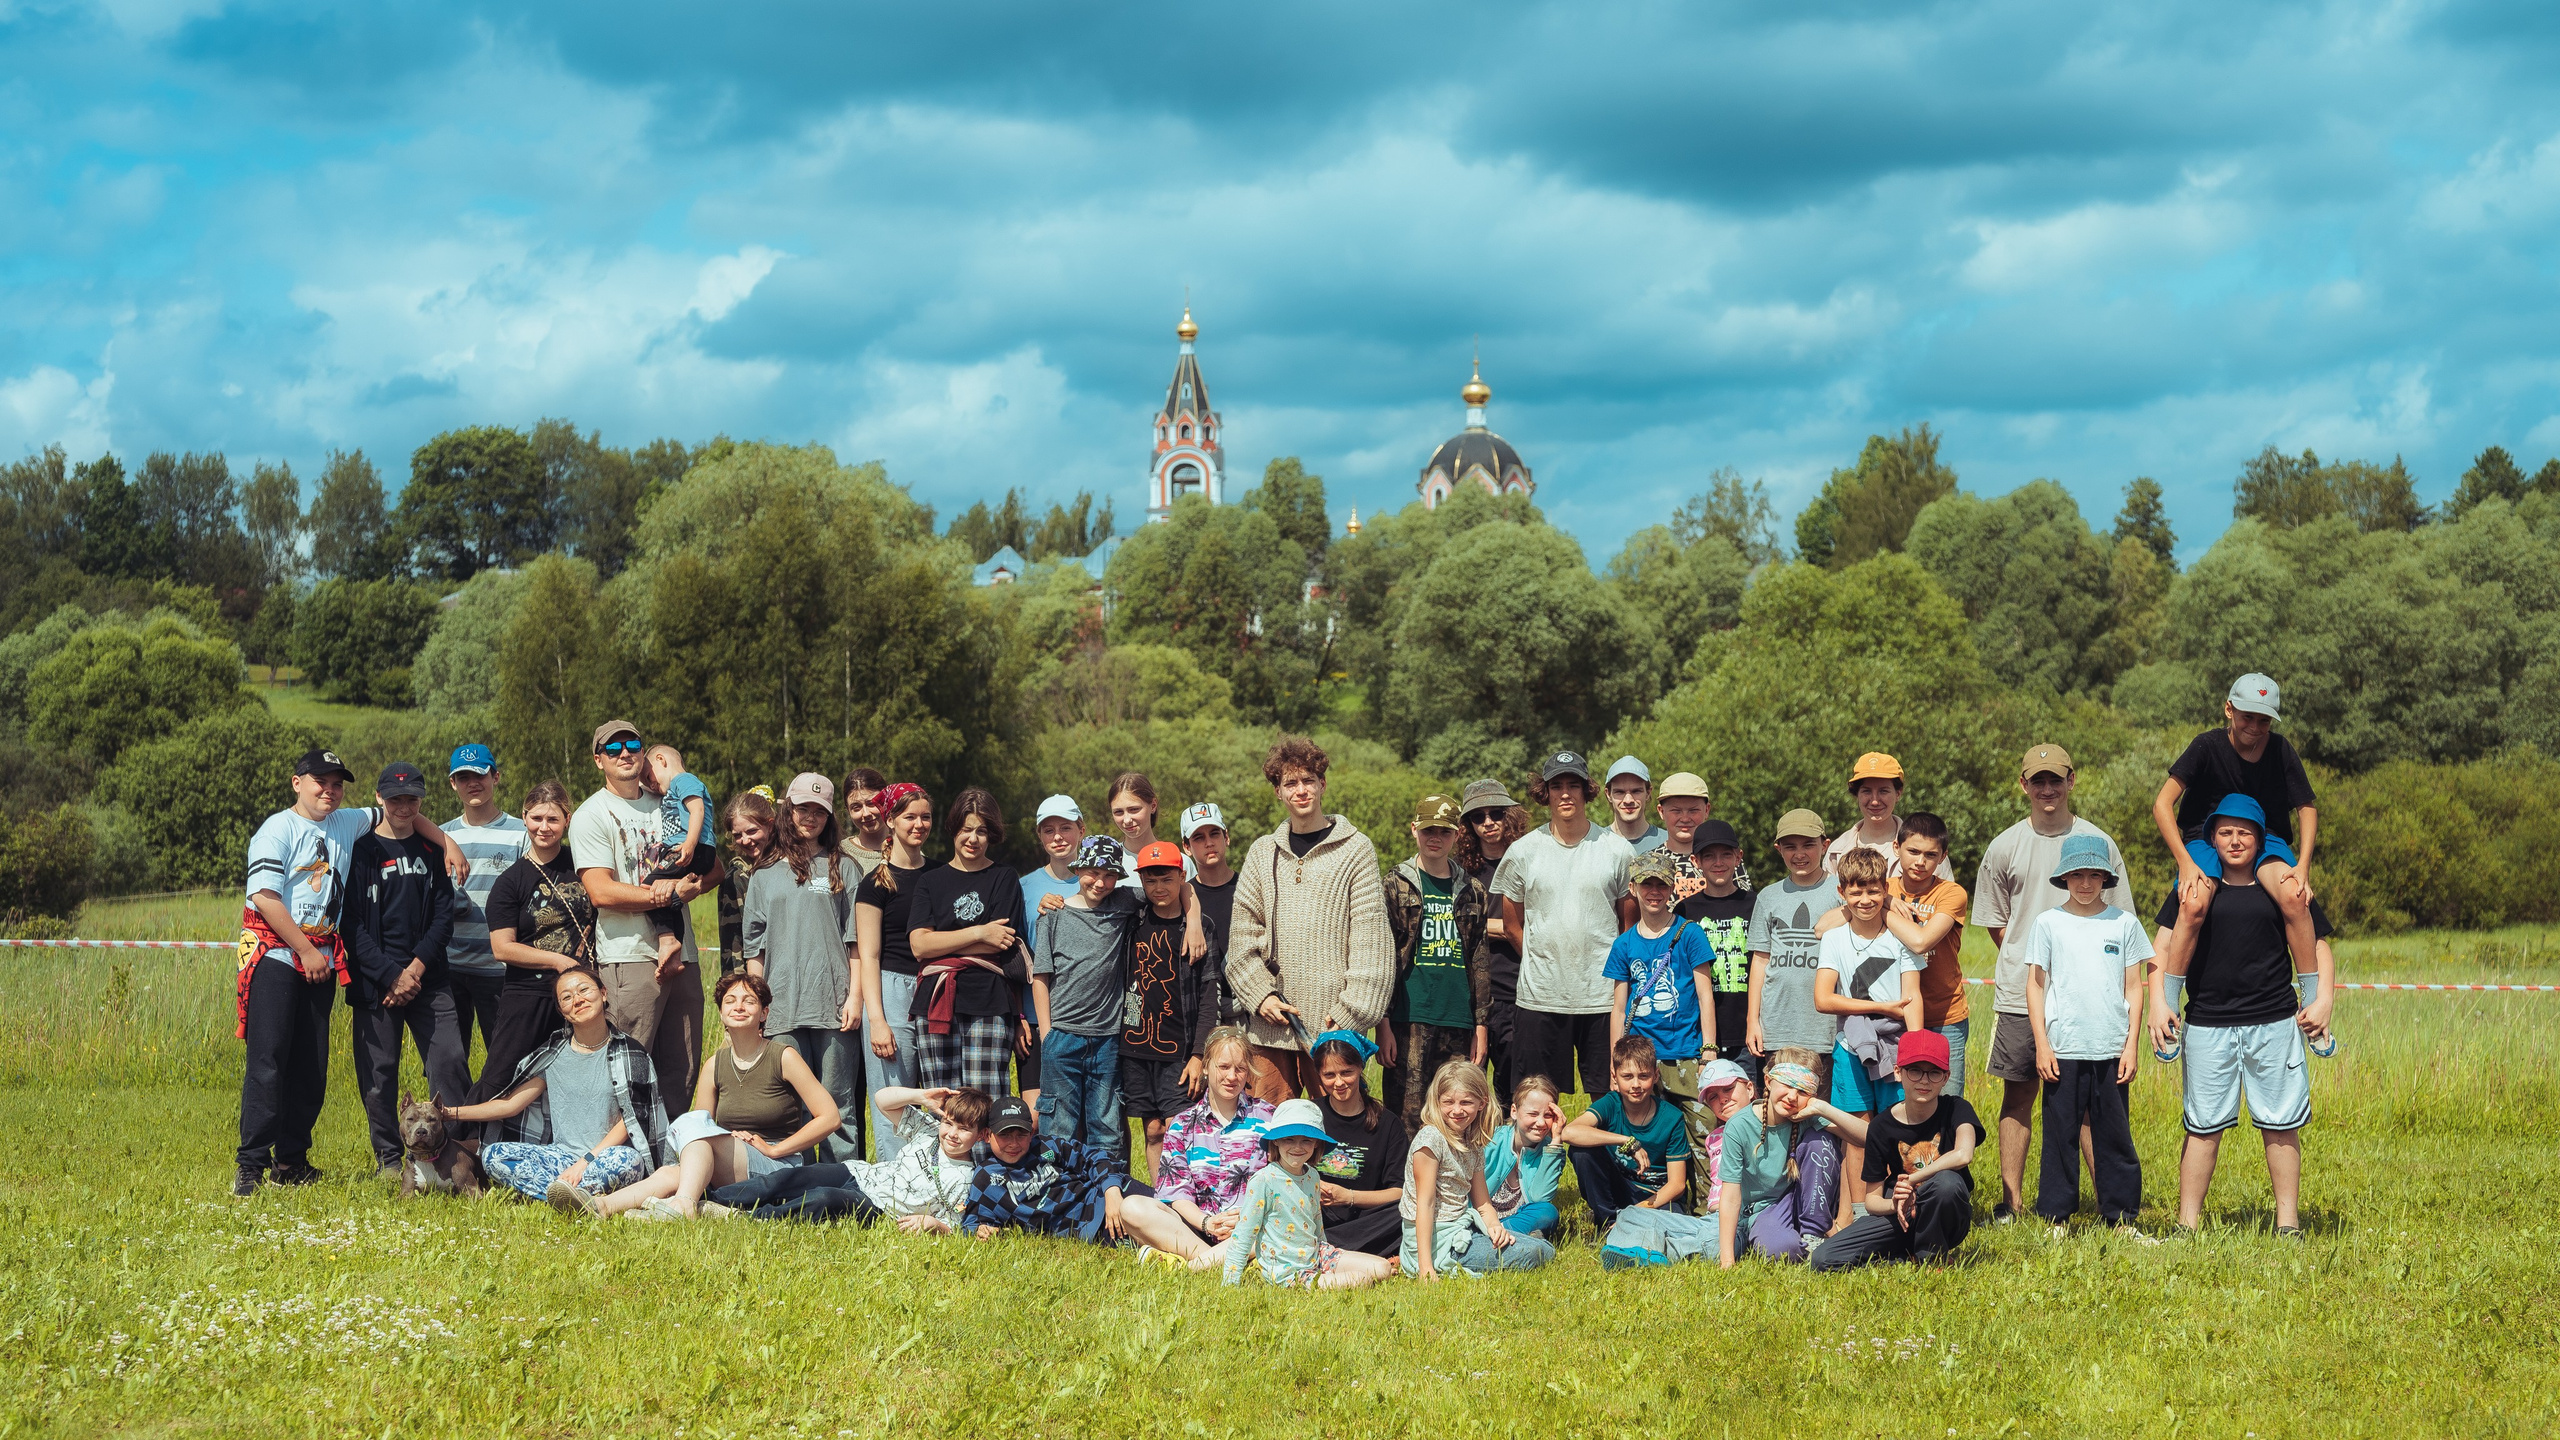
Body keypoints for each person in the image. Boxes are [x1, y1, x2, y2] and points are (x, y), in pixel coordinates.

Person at [233, 747, 462, 1197]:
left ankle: (291, 1162)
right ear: (297, 782)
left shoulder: (347, 820)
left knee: (311, 1068)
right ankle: (250, 1166)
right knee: (268, 1064)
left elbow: (405, 813)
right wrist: (305, 950)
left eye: (337, 783)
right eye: (319, 781)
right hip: (276, 955)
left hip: (318, 960)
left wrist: (446, 841)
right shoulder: (277, 829)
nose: (329, 790)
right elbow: (263, 896)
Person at [2149, 795, 2333, 1238]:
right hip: (2207, 1022)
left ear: (2260, 838)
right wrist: (2159, 1000)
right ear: (2212, 837)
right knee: (2203, 1128)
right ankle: (2186, 1225)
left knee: (2281, 1125)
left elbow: (2319, 944)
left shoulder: (2282, 884)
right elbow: (2161, 945)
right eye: (2226, 832)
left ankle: (2288, 1224)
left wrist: (2324, 999)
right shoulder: (2193, 886)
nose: (2235, 841)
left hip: (2274, 1021)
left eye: (2245, 832)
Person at [1973, 743, 2134, 1221]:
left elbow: (2120, 920)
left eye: (2055, 779)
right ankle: (2012, 1203)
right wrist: (2039, 963)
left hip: (2090, 1002)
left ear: (2072, 781)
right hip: (2024, 994)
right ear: (2023, 785)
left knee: (2089, 1105)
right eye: (2037, 780)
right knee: (2018, 1093)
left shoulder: (2098, 843)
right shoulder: (2004, 845)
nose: (2047, 788)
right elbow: (1997, 923)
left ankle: (2109, 1206)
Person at [2151, 674, 2324, 1047]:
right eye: (2247, 717)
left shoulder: (2280, 751)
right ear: (2229, 709)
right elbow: (2162, 805)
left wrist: (2303, 866)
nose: (2255, 727)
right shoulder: (2206, 746)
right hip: (2206, 836)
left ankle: (2311, 1004)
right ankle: (2169, 1005)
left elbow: (2307, 809)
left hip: (2266, 838)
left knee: (2294, 896)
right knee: (2194, 901)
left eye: (2264, 720)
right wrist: (2184, 861)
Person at [1225, 736, 1395, 1103]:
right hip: (1270, 1028)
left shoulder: (1356, 849)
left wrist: (1349, 1015)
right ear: (1278, 792)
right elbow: (1241, 941)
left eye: (1307, 780)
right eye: (1290, 783)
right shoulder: (1261, 852)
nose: (1300, 791)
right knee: (1265, 1134)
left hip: (1332, 1031)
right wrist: (1261, 996)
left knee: (1337, 1137)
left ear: (1322, 784)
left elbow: (1371, 943)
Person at [595, 971, 843, 1219]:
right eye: (730, 1000)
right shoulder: (714, 1064)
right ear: (722, 1013)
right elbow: (701, 1128)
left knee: (695, 1132)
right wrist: (728, 1138)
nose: (739, 1006)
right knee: (675, 1171)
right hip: (729, 1161)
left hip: (778, 1166)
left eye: (749, 1000)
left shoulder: (784, 1057)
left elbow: (830, 1117)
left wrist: (774, 1150)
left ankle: (682, 1205)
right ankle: (602, 1206)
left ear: (764, 1013)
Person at [444, 966, 674, 1211]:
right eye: (567, 997)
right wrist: (449, 1113)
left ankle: (565, 1193)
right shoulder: (553, 1055)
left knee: (629, 1161)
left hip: (605, 1157)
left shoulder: (631, 1055)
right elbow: (510, 1105)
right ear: (561, 1011)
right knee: (494, 1155)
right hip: (560, 1157)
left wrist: (585, 1162)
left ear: (604, 993)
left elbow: (630, 1121)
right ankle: (569, 1197)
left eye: (584, 990)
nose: (578, 1000)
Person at [570, 719, 715, 1104]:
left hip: (683, 957)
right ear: (598, 759)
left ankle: (670, 1162)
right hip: (629, 958)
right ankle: (620, 1161)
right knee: (627, 1072)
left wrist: (692, 887)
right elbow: (600, 891)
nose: (624, 754)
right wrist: (665, 896)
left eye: (631, 745)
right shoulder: (591, 813)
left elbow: (713, 863)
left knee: (681, 1073)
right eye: (613, 749)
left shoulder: (670, 799)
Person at [2026, 834, 2152, 1234]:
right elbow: (2035, 985)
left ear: (2106, 878)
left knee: (2114, 1136)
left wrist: (2131, 1045)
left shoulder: (2124, 923)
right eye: (2076, 875)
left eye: (2093, 875)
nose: (2085, 884)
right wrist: (2042, 1044)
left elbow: (2135, 985)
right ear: (2064, 878)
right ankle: (2056, 1219)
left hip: (2111, 1045)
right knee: (2059, 1135)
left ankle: (2122, 1219)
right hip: (2063, 1045)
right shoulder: (2048, 923)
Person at [1493, 751, 1636, 1101]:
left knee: (1610, 1098)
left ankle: (1603, 1157)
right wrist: (1544, 960)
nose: (1566, 793)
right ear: (1546, 793)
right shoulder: (1523, 851)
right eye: (1557, 786)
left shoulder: (1617, 851)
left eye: (1574, 784)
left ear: (1588, 791)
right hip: (1540, 997)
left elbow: (1627, 925)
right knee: (1535, 1100)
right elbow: (1512, 925)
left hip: (1602, 999)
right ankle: (1540, 1158)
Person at [343, 762, 462, 1177]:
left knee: (448, 1061)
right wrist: (390, 975)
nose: (404, 806)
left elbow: (444, 917)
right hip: (377, 984)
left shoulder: (432, 852)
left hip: (429, 978)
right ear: (380, 799)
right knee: (378, 1075)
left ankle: (456, 1154)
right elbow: (350, 924)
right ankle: (391, 1160)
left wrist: (413, 970)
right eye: (395, 799)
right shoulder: (360, 851)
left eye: (412, 798)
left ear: (421, 801)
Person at [741, 774, 863, 1162]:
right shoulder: (762, 874)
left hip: (834, 1004)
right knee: (793, 1105)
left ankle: (844, 1184)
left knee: (837, 1102)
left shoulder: (844, 868)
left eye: (819, 811)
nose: (810, 817)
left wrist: (855, 997)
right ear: (787, 810)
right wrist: (756, 1007)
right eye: (802, 808)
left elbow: (856, 941)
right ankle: (799, 1182)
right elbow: (754, 950)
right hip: (781, 1007)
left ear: (829, 816)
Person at [1814, 847, 1926, 1226]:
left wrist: (1913, 1055)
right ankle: (1861, 1219)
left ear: (1885, 891)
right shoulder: (1834, 939)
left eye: (1874, 891)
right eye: (1856, 892)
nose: (1865, 900)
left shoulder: (1899, 939)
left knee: (1900, 1131)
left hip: (1896, 1048)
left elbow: (1912, 1000)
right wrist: (1880, 1009)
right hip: (1851, 1046)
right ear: (1842, 893)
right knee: (1857, 1134)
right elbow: (1823, 998)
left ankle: (1903, 1212)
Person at [707, 1084, 988, 1228]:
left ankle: (752, 1219)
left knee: (824, 1198)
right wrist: (920, 1096)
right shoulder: (927, 1130)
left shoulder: (965, 1178)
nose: (952, 1133)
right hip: (861, 1173)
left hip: (880, 1207)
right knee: (793, 1176)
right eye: (949, 1123)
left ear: (980, 1135)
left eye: (964, 1129)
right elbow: (882, 1100)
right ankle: (709, 1201)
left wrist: (934, 1225)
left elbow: (955, 1221)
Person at [1811, 1031, 1980, 1270]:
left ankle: (1932, 1259)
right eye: (1915, 1071)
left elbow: (1964, 1154)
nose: (1924, 1080)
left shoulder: (1956, 1108)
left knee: (1947, 1183)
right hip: (1900, 1210)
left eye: (1934, 1072)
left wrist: (1912, 1180)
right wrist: (1897, 1205)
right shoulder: (1881, 1125)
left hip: (1946, 1213)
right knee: (1823, 1259)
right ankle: (1902, 1256)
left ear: (1946, 1077)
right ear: (1898, 1072)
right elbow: (1871, 1200)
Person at [474, 781, 595, 1114]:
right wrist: (558, 961)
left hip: (580, 994)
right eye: (537, 818)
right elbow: (503, 948)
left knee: (574, 1077)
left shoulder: (583, 865)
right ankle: (465, 1146)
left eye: (553, 819)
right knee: (502, 1076)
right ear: (524, 818)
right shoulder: (511, 881)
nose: (545, 827)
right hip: (528, 994)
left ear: (567, 820)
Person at [909, 788, 1031, 1095]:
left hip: (989, 1001)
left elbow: (1001, 941)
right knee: (943, 1104)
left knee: (984, 1103)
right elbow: (919, 946)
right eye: (966, 829)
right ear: (953, 829)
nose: (973, 839)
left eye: (981, 831)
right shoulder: (930, 880)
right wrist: (978, 932)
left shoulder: (1004, 878)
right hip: (934, 1002)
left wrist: (941, 942)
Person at [1380, 794, 1491, 1131]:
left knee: (1458, 1115)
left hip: (1458, 1019)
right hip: (1408, 1018)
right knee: (1407, 1117)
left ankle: (1455, 1184)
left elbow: (1480, 960)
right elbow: (1382, 957)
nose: (1435, 838)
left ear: (1457, 834)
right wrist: (1382, 1023)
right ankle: (1405, 1185)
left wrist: (1481, 1027)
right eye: (1428, 829)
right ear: (1414, 829)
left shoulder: (1472, 890)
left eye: (1444, 831)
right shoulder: (1394, 885)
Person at [1116, 1027, 1273, 1261]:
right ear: (1206, 1066)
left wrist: (1246, 1217)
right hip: (1199, 1229)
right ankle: (1216, 1259)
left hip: (1253, 1226)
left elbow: (1282, 1183)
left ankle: (1195, 1263)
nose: (1232, 1076)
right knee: (1131, 1208)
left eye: (1240, 1068)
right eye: (1224, 1067)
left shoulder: (1269, 1118)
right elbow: (1177, 1192)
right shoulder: (1182, 1125)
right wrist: (1207, 1223)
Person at [1605, 849, 1716, 1171]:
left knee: (1701, 1129)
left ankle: (1705, 1211)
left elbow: (1704, 994)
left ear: (1673, 889)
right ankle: (1657, 1200)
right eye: (1647, 884)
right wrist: (1616, 1062)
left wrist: (1708, 1051)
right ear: (1633, 888)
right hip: (1641, 1058)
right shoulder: (1623, 944)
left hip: (1685, 1052)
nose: (1654, 892)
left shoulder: (1689, 933)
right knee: (1648, 1134)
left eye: (1662, 885)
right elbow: (1618, 1008)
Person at [1033, 835, 1139, 1165]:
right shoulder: (1054, 914)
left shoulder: (1123, 904)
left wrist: (1193, 919)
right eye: (1093, 872)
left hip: (1108, 1038)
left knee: (1106, 1126)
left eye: (1110, 874)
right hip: (1061, 1035)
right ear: (1078, 870)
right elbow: (1040, 978)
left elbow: (1172, 887)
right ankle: (1059, 1198)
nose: (1101, 881)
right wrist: (1046, 1033)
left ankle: (1110, 1199)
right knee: (1058, 1125)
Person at [1217, 1099, 1399, 1289]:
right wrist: (1231, 1282)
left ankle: (1331, 1275)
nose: (1298, 1147)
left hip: (1317, 1254)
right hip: (1288, 1271)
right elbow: (1244, 1234)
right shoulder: (1264, 1180)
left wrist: (1326, 1255)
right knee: (1362, 1280)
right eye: (1289, 1139)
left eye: (1306, 1140)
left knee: (1382, 1267)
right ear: (1276, 1141)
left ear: (1316, 1143)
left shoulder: (1312, 1175)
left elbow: (1316, 1220)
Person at [1593, 1058, 1757, 1267]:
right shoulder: (1714, 1138)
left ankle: (1644, 1251)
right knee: (1630, 1214)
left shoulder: (1764, 1128)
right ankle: (1641, 1249)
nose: (1723, 1099)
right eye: (1713, 1097)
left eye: (1728, 1089)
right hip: (1710, 1219)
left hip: (1739, 1219)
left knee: (1716, 1242)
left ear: (1750, 1088)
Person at [1402, 1059, 1553, 1278]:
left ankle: (1507, 1245)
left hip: (1462, 1227)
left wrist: (1494, 1227)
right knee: (1540, 1251)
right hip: (1438, 1241)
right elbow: (1424, 1204)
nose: (1457, 1110)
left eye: (1466, 1102)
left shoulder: (1472, 1141)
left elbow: (1482, 1202)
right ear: (1437, 1101)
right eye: (1448, 1102)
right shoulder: (1430, 1139)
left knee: (1542, 1248)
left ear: (1481, 1103)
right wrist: (1426, 1268)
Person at [1124, 840, 1220, 1174]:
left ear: (1182, 877)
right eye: (1150, 880)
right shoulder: (1131, 921)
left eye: (1166, 879)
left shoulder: (1199, 927)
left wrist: (1199, 1055)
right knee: (1152, 1129)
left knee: (1179, 1128)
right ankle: (1160, 1201)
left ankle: (1186, 1202)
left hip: (1179, 1050)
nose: (1158, 887)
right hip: (1135, 1049)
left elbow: (1210, 996)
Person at [1715, 1049, 1860, 1266]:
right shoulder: (1739, 1126)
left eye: (1803, 1090)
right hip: (1765, 1209)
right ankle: (1814, 1238)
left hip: (1806, 1199)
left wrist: (1823, 1108)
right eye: (1787, 1084)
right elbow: (1730, 1195)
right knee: (1781, 1251)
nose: (1792, 1097)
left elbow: (1868, 1137)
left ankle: (1813, 1235)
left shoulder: (1808, 1117)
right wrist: (1727, 1259)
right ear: (1768, 1081)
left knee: (1819, 1142)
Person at [854, 782, 935, 1160]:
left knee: (935, 1091)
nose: (918, 824)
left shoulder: (940, 876)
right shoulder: (874, 885)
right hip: (892, 988)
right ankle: (895, 1180)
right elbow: (868, 955)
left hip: (937, 985)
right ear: (890, 820)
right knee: (894, 1094)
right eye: (909, 816)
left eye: (925, 817)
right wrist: (877, 1019)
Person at [441, 743, 525, 1084]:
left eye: (480, 775)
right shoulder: (441, 834)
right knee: (447, 1061)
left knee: (506, 1059)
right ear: (453, 784)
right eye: (463, 777)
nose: (472, 783)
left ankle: (506, 1131)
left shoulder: (522, 832)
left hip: (500, 969)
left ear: (496, 777)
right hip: (449, 967)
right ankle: (455, 1132)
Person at [1746, 809, 1842, 1093]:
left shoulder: (1841, 891)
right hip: (1778, 1028)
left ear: (1825, 845)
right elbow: (1761, 960)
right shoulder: (1769, 896)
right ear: (1779, 849)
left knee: (1819, 1115)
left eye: (1808, 845)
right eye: (1790, 846)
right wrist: (1753, 1020)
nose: (1799, 854)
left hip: (1824, 1029)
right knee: (1777, 1110)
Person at [1876, 814, 1971, 1095]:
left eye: (1930, 855)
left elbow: (1921, 942)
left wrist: (1882, 911)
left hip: (1945, 1017)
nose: (1920, 861)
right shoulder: (1882, 888)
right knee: (1896, 1103)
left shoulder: (1951, 893)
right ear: (1896, 848)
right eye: (1913, 851)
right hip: (1891, 1015)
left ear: (1943, 857)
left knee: (1946, 1102)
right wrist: (1885, 900)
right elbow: (1825, 925)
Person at [962, 1095, 1137, 1244]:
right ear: (986, 1135)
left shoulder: (1046, 1146)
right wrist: (981, 1230)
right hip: (1094, 1226)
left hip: (1113, 1194)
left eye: (1021, 1135)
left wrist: (1112, 1191)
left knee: (1161, 1206)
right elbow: (972, 1222)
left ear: (1031, 1133)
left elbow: (1096, 1157)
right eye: (1004, 1135)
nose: (1013, 1144)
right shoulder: (986, 1178)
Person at [1562, 1034, 1691, 1233]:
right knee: (1582, 1153)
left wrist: (1633, 1212)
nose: (1636, 1085)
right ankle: (1607, 1223)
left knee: (1670, 1229)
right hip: (1619, 1189)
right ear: (1614, 1076)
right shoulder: (1611, 1103)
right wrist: (1627, 1141)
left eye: (1644, 1076)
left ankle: (1623, 1223)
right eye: (1627, 1076)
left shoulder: (1671, 1117)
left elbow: (1677, 1185)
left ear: (1656, 1075)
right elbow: (1569, 1132)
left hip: (1657, 1196)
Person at [1455, 778, 1529, 1099]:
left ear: (1509, 816)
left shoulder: (1529, 862)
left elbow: (1538, 925)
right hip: (1470, 998)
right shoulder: (1457, 871)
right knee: (1467, 1091)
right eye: (1478, 816)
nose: (1488, 823)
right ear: (1467, 825)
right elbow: (1452, 927)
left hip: (1518, 991)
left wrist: (1482, 925)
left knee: (1513, 1091)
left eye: (1496, 813)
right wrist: (1505, 927)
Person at [1306, 1031, 1407, 1257]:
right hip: (1317, 1214)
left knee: (1409, 1211)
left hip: (1366, 1217)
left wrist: (1349, 1197)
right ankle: (1349, 1250)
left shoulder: (1388, 1123)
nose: (1339, 1082)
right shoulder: (1310, 1115)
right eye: (1329, 1075)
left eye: (1347, 1072)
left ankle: (1319, 1247)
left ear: (1360, 1068)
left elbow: (1399, 1191)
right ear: (1319, 1075)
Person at [1675, 817, 1758, 1081]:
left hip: (1748, 1032)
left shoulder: (1757, 904)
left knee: (1748, 1108)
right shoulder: (1684, 911)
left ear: (1738, 857)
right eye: (1709, 856)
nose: (1718, 862)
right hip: (1699, 1035)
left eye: (1726, 854)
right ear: (1695, 862)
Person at [639, 745, 719, 970]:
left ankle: (667, 940)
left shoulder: (683, 780)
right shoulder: (672, 786)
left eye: (649, 777)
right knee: (672, 899)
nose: (652, 785)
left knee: (648, 888)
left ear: (661, 760)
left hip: (692, 848)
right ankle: (675, 951)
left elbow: (697, 810)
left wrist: (690, 844)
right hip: (688, 848)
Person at [1482, 1073, 1568, 1241]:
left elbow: (1540, 1198)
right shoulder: (1491, 1141)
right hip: (1482, 1218)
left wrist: (1556, 1140)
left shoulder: (1552, 1151)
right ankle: (1515, 1237)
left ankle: (1500, 1235)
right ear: (1514, 1111)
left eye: (1548, 1115)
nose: (1541, 1123)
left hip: (1515, 1220)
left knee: (1547, 1213)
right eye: (1533, 1114)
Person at [1181, 802, 1242, 1025]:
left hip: (1249, 1010)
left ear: (1226, 837)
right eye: (1198, 838)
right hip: (1201, 1014)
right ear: (1187, 847)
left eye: (1214, 833)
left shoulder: (1250, 887)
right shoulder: (1182, 897)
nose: (1209, 843)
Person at [1655, 771, 1753, 896]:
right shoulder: (1653, 861)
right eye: (1676, 811)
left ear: (1706, 810)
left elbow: (1746, 906)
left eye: (1693, 810)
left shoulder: (1726, 860)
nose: (1685, 818)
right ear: (1661, 811)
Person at [715, 789, 779, 972]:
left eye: (752, 831)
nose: (745, 840)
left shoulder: (791, 864)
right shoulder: (735, 878)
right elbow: (732, 945)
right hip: (754, 978)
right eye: (737, 835)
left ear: (770, 825)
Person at [1825, 752, 1906, 874]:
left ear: (1898, 793)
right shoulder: (1836, 852)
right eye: (1866, 791)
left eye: (1883, 791)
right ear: (1857, 794)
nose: (1874, 801)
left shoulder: (1923, 847)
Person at [1602, 755, 1667, 853]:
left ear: (1648, 793)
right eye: (1620, 792)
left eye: (1636, 791)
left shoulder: (1669, 842)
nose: (1628, 800)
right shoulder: (1596, 844)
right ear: (1608, 794)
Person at [837, 766, 890, 881]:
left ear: (886, 801)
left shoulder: (907, 852)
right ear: (848, 811)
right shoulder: (838, 854)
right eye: (856, 807)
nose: (865, 813)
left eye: (871, 804)